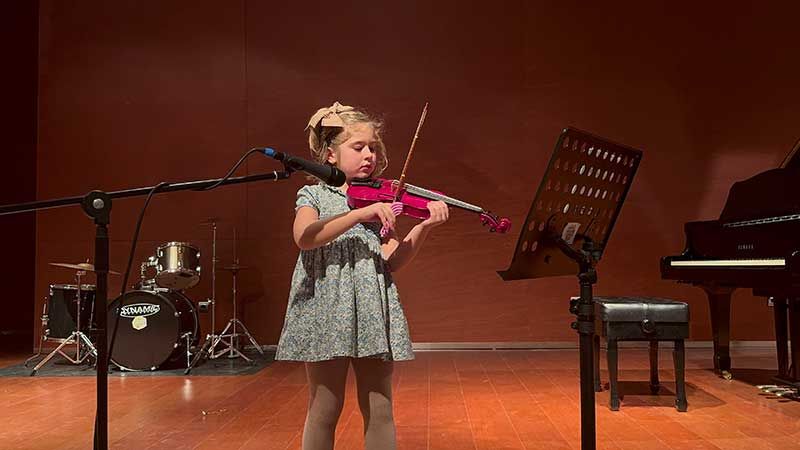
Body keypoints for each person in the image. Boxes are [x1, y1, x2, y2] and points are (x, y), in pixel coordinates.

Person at [276, 101, 448, 450]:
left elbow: (393, 259)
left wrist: (425, 227)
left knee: (380, 406)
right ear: (330, 155)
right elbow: (305, 237)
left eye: (373, 147)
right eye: (358, 147)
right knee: (325, 406)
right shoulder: (314, 194)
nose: (369, 154)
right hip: (325, 310)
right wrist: (360, 215)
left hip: (370, 309)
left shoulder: (381, 200)